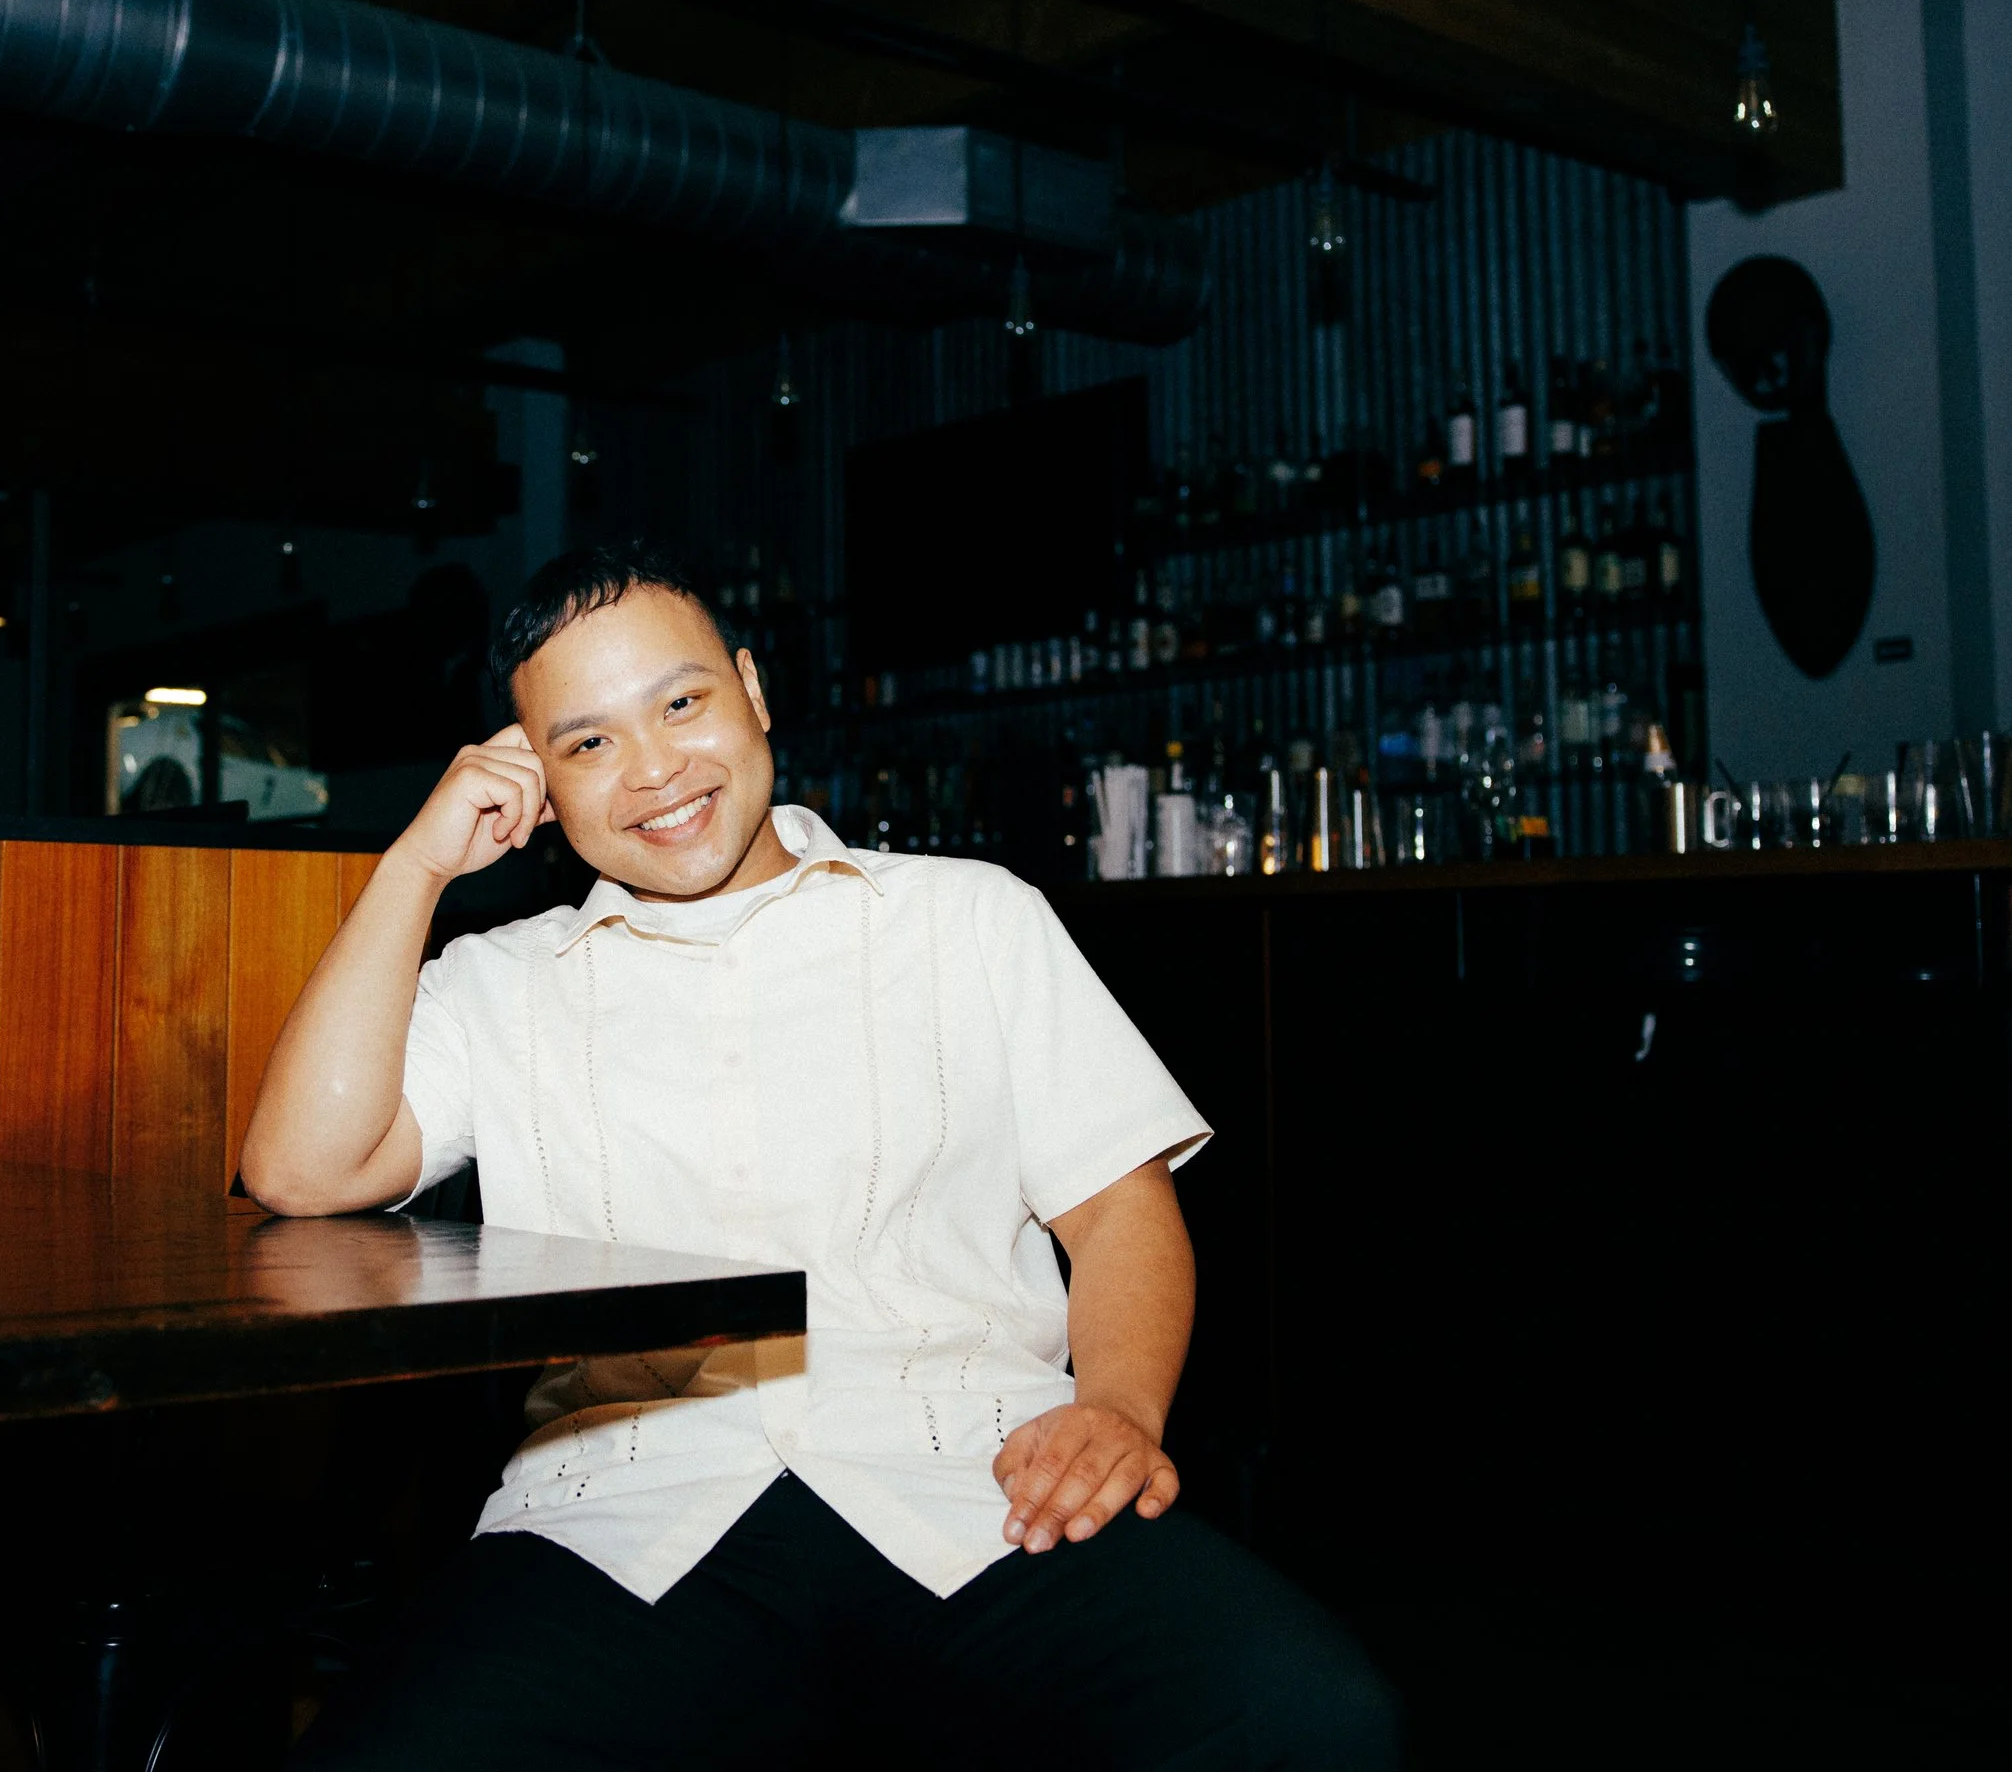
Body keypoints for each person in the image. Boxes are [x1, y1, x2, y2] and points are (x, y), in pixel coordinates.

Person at [246, 544, 1397, 1770]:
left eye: (681, 702)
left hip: (977, 1476)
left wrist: (1114, 1405)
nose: (653, 771)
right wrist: (416, 862)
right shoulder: (502, 979)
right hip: (627, 1508)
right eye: (587, 744)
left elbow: (1118, 1210)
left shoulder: (969, 915)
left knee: (1305, 1715)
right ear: (531, 778)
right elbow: (304, 1171)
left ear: (752, 688)